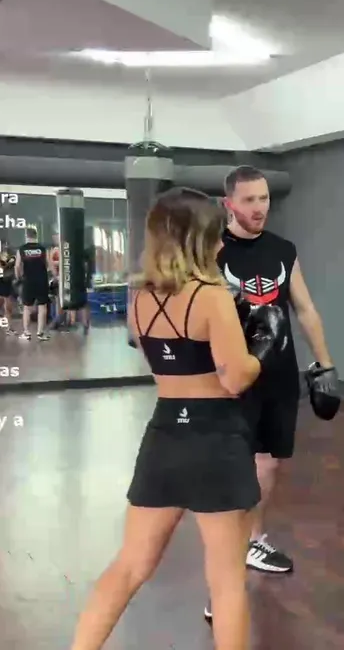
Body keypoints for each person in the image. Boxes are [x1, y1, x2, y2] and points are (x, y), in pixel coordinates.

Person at [69, 188, 283, 650]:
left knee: (129, 566)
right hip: (215, 437)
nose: (222, 244)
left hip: (164, 434)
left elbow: (167, 366)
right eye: (216, 236)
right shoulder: (211, 297)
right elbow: (235, 379)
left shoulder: (140, 299)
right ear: (197, 240)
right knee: (226, 582)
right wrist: (262, 347)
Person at [213, 165, 339, 581]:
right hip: (233, 376)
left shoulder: (283, 250)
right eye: (249, 200)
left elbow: (304, 308)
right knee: (234, 465)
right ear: (229, 204)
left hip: (279, 373)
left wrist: (325, 364)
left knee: (268, 464)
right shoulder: (213, 252)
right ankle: (226, 553)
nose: (259, 207)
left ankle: (253, 540)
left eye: (264, 198)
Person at [15, 227, 51, 340]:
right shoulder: (43, 249)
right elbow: (49, 264)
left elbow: (17, 266)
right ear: (36, 236)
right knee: (42, 306)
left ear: (26, 236)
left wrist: (19, 277)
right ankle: (40, 333)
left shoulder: (22, 249)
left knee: (27, 307)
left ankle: (26, 333)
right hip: (42, 281)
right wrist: (54, 276)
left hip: (28, 281)